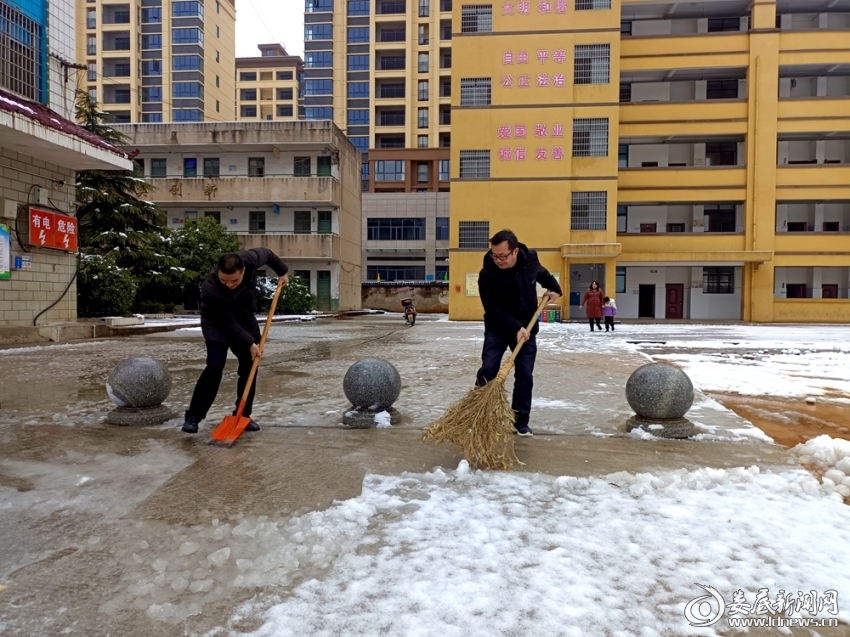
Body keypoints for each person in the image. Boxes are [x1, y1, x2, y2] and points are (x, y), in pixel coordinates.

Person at [182, 248, 289, 434]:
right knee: (215, 366)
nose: (229, 284)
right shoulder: (211, 289)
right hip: (217, 324)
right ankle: (194, 416)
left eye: (235, 280)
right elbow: (227, 323)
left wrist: (282, 272)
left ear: (244, 271)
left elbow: (268, 254)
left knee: (250, 365)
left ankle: (243, 415)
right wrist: (250, 343)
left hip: (244, 318)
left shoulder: (250, 259)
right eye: (224, 280)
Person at [476, 229, 562, 437]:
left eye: (502, 256)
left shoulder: (530, 258)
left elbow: (541, 274)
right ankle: (478, 413)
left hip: (527, 329)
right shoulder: (487, 274)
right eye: (494, 255)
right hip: (498, 329)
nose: (498, 260)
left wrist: (554, 288)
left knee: (524, 376)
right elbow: (493, 309)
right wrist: (515, 327)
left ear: (515, 251)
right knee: (489, 371)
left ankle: (520, 421)